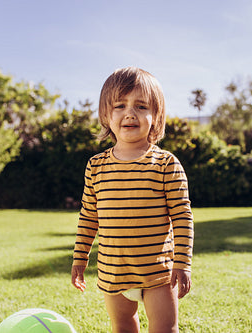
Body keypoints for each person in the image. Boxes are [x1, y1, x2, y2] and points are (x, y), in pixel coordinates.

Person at [71, 67, 194, 333]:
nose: (130, 113)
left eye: (141, 106)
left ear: (156, 115)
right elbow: (89, 217)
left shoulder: (166, 164)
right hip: (113, 270)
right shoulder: (96, 166)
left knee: (165, 328)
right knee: (123, 325)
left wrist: (183, 262)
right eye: (119, 105)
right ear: (106, 114)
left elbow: (183, 217)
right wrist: (80, 259)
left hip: (158, 272)